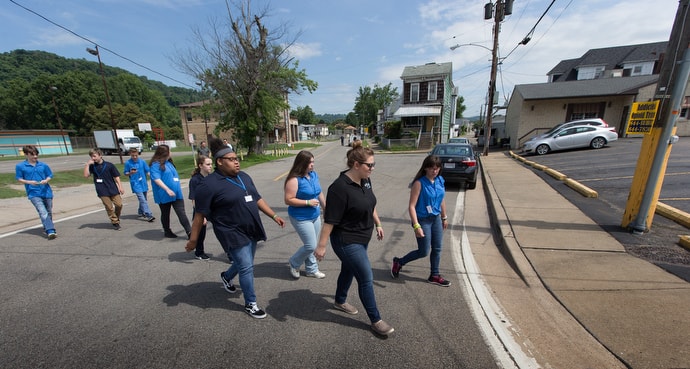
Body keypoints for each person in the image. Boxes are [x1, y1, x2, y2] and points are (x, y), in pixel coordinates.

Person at [186, 138, 285, 319]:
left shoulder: (244, 177)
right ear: (220, 162)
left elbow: (257, 198)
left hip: (251, 226)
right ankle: (251, 304)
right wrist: (193, 240)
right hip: (230, 231)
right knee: (246, 266)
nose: (236, 161)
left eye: (236, 158)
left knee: (243, 263)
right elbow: (199, 216)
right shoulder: (208, 185)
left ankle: (226, 275)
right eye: (231, 159)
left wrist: (274, 215)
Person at [314, 141, 394, 336]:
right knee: (366, 277)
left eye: (373, 165)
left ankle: (340, 300)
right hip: (346, 240)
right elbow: (330, 220)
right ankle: (376, 320)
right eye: (369, 165)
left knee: (349, 270)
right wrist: (321, 246)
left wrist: (378, 223)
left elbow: (370, 202)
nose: (372, 169)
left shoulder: (365, 180)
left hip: (363, 236)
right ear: (356, 165)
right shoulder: (339, 188)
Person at [391, 155, 451, 287]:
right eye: (431, 168)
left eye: (437, 168)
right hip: (422, 220)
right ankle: (399, 262)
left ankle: (434, 275)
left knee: (437, 248)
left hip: (435, 218)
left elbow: (441, 200)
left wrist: (444, 217)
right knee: (423, 251)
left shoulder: (440, 180)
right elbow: (411, 206)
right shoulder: (419, 183)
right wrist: (416, 225)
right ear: (425, 168)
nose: (434, 171)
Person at [284, 150, 327, 279]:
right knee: (311, 245)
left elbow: (319, 192)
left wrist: (325, 207)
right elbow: (288, 199)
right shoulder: (294, 179)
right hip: (300, 217)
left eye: (313, 162)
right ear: (301, 164)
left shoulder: (313, 175)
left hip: (315, 215)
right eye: (309, 163)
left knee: (312, 243)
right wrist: (307, 202)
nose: (312, 165)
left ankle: (311, 269)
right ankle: (294, 262)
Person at [149, 144, 192, 238]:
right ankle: (167, 231)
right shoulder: (155, 165)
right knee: (165, 213)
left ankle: (189, 232)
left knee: (181, 212)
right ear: (165, 153)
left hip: (176, 193)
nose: (171, 153)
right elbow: (156, 179)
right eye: (170, 151)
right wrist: (167, 189)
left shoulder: (169, 162)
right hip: (164, 194)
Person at [15, 145, 57, 239]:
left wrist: (46, 180)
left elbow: (50, 175)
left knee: (48, 211)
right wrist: (29, 182)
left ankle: (47, 225)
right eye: (32, 155)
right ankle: (50, 230)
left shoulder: (43, 165)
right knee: (42, 211)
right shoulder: (20, 166)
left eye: (36, 155)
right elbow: (19, 178)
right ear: (26, 154)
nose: (35, 157)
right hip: (33, 193)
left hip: (46, 192)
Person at [84, 148, 124, 230]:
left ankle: (116, 216)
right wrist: (87, 165)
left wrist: (120, 186)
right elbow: (86, 175)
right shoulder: (92, 166)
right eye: (91, 156)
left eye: (94, 156)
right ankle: (115, 222)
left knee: (119, 204)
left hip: (112, 188)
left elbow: (116, 176)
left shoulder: (109, 165)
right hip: (102, 189)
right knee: (109, 207)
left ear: (100, 155)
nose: (93, 158)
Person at [188, 155, 213, 260]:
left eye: (211, 164)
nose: (210, 166)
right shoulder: (195, 180)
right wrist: (201, 216)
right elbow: (194, 200)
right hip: (200, 210)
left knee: (224, 230)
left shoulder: (211, 177)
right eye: (208, 164)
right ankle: (199, 252)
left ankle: (231, 254)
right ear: (200, 165)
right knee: (201, 233)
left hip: (212, 209)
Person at [124, 147, 155, 222]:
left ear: (138, 154)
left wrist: (153, 177)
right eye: (133, 156)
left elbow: (147, 171)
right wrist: (130, 173)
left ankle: (140, 211)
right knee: (142, 199)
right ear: (130, 155)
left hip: (143, 183)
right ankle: (149, 214)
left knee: (144, 199)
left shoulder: (142, 162)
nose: (134, 157)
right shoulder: (128, 163)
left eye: (136, 155)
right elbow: (125, 173)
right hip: (135, 183)